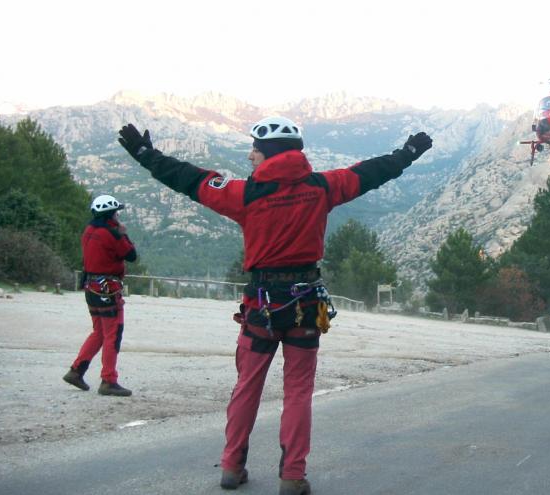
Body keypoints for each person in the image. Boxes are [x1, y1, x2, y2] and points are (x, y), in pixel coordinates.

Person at [117, 117, 432, 495]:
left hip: (261, 305)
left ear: (268, 153)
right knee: (298, 391)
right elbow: (369, 173)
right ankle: (292, 476)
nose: (250, 154)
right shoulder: (323, 187)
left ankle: (232, 467)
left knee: (247, 387)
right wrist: (407, 154)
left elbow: (188, 178)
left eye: (254, 149)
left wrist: (145, 154)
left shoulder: (244, 194)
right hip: (306, 305)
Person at [63, 194, 137, 396]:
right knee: (113, 334)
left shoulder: (88, 231)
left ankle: (76, 371)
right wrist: (123, 234)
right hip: (108, 289)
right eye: (116, 212)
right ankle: (108, 380)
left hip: (90, 287)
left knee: (98, 332)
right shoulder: (112, 233)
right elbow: (131, 255)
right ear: (111, 214)